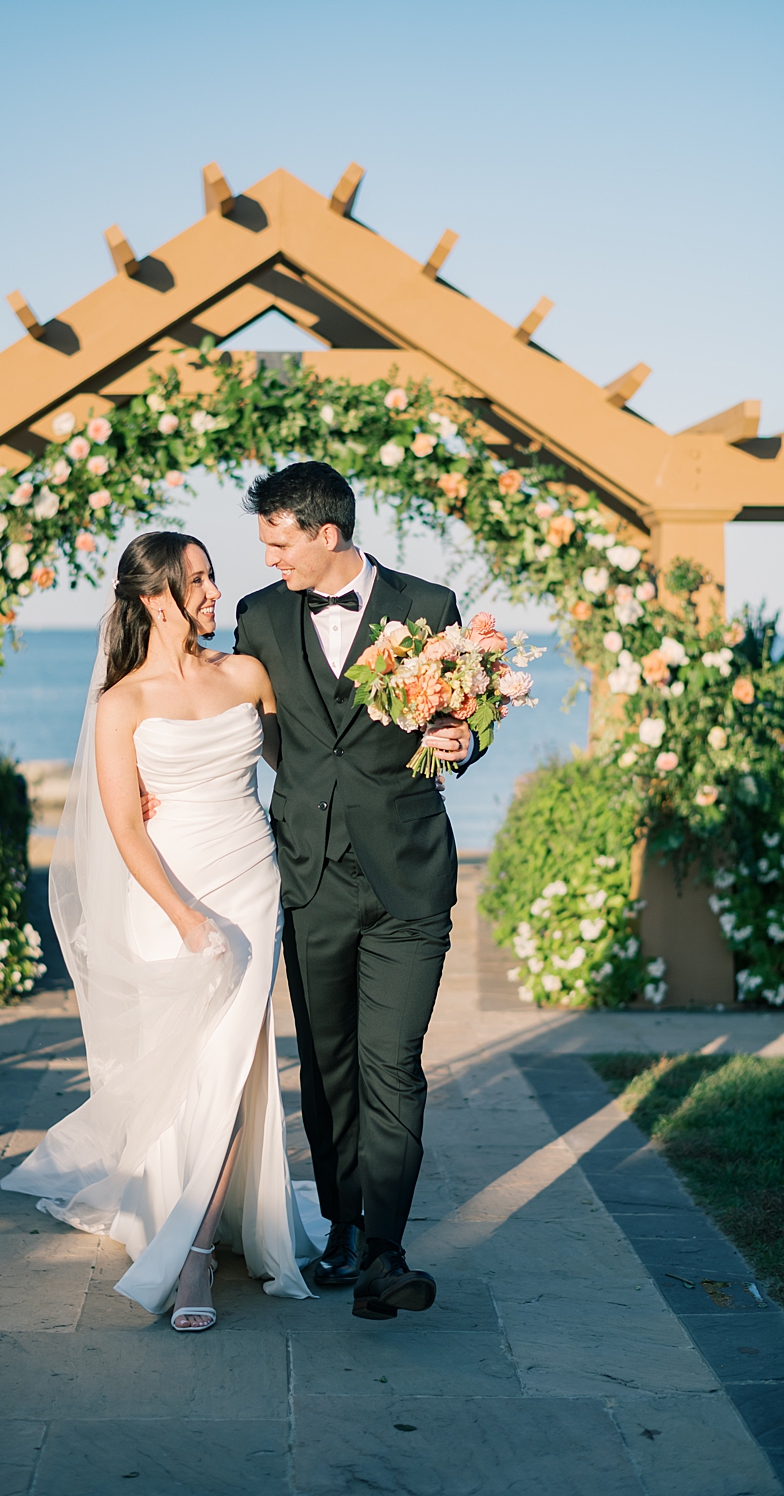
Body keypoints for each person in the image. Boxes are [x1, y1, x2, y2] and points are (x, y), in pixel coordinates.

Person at [1, 530, 320, 1331]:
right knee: (181, 1074)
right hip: (168, 897)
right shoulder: (123, 705)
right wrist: (184, 918)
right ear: (155, 599)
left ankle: (197, 1256)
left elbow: (305, 765)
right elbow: (124, 829)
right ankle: (170, 1215)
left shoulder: (248, 674)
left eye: (213, 577)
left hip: (250, 883)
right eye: (200, 580)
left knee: (232, 1069)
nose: (216, 592)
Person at [231, 460, 478, 1320]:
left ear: (325, 532)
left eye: (278, 541)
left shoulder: (429, 606)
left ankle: (386, 1248)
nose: (269, 559)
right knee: (329, 1065)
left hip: (409, 873)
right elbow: (255, 732)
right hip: (311, 875)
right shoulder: (258, 618)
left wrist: (459, 739)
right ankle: (340, 1224)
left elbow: (462, 716)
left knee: (394, 1066)